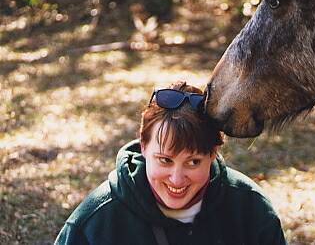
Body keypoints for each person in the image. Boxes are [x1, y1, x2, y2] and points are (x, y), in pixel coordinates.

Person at [55, 81, 287, 245]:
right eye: (165, 160)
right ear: (143, 146)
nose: (177, 179)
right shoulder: (96, 220)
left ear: (213, 153)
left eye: (193, 162)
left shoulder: (251, 210)